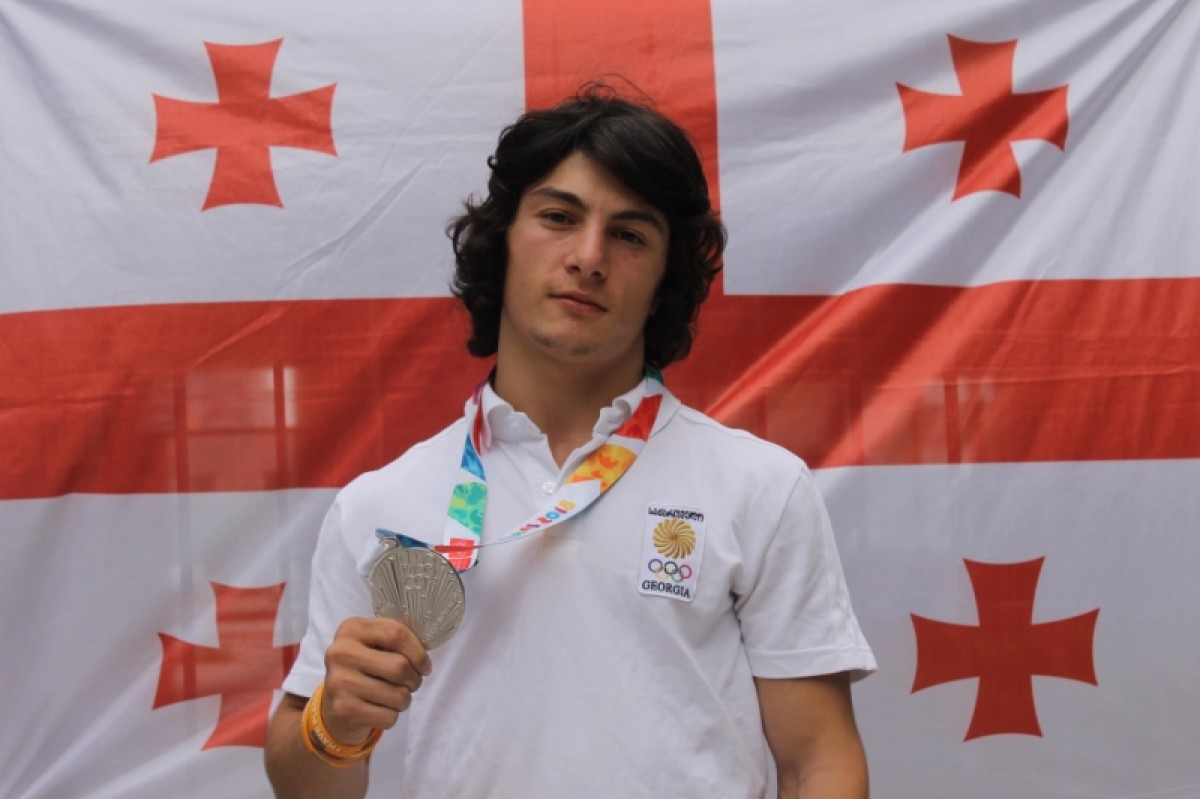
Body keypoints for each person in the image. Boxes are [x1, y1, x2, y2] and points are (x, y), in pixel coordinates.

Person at [265, 82, 876, 798]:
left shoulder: (761, 486)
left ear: (666, 277)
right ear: (502, 241)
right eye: (559, 217)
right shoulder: (380, 503)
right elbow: (306, 786)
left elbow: (818, 762)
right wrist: (335, 722)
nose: (589, 256)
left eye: (630, 234)